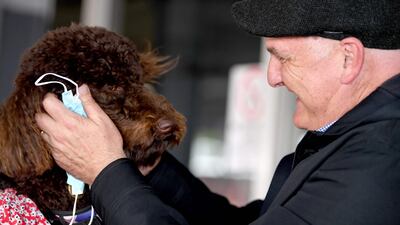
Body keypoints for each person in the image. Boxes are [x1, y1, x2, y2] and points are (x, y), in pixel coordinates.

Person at [35, 0, 400, 224]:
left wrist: (106, 172)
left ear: (349, 58)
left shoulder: (379, 162)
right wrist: (150, 171)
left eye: (283, 58)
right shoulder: (357, 143)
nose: (272, 78)